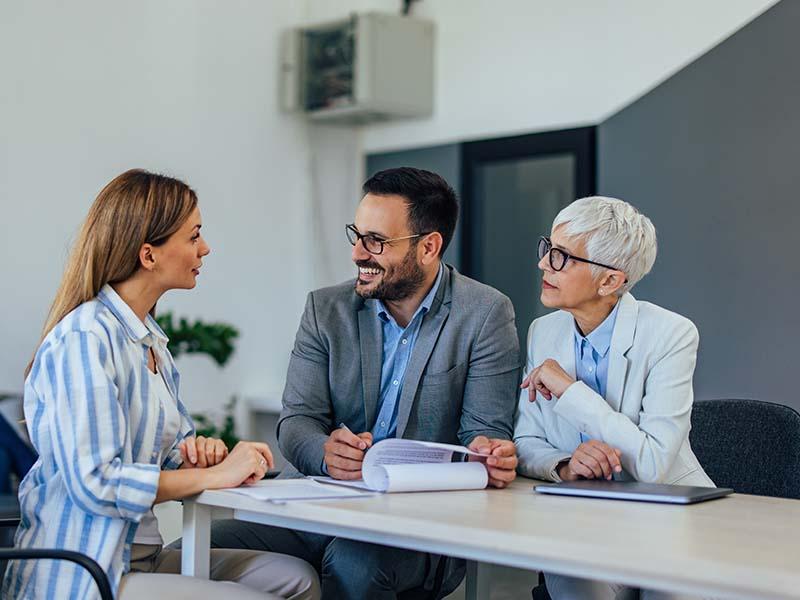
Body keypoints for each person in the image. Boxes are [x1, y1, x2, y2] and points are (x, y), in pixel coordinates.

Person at [2, 170, 319, 600]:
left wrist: (199, 456)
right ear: (148, 255)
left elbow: (169, 458)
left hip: (139, 555)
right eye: (193, 237)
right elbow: (97, 482)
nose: (205, 249)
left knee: (295, 578)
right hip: (89, 571)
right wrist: (222, 476)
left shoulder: (151, 343)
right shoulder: (85, 339)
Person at [206, 167, 521, 599]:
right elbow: (298, 421)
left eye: (376, 241)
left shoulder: (485, 314)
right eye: (356, 235)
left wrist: (489, 451)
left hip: (417, 530)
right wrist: (325, 452)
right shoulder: (325, 309)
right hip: (315, 512)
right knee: (194, 550)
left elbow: (483, 434)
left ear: (429, 247)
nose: (357, 253)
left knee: (354, 565)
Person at [514, 196, 714, 600]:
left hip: (669, 519)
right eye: (547, 249)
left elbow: (653, 463)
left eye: (561, 257)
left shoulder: (672, 335)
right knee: (571, 578)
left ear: (610, 281)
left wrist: (571, 391)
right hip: (586, 523)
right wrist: (567, 464)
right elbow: (525, 443)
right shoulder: (543, 332)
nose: (543, 264)